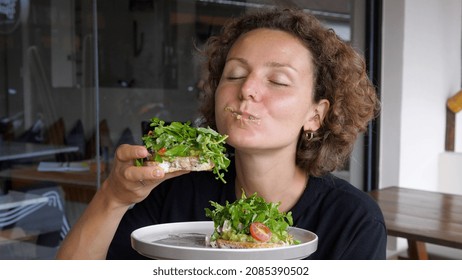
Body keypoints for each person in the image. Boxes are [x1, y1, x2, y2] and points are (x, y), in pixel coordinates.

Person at [56, 8, 386, 260]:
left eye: (278, 81)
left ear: (316, 115)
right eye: (235, 74)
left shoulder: (352, 221)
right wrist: (113, 197)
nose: (248, 89)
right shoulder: (175, 194)